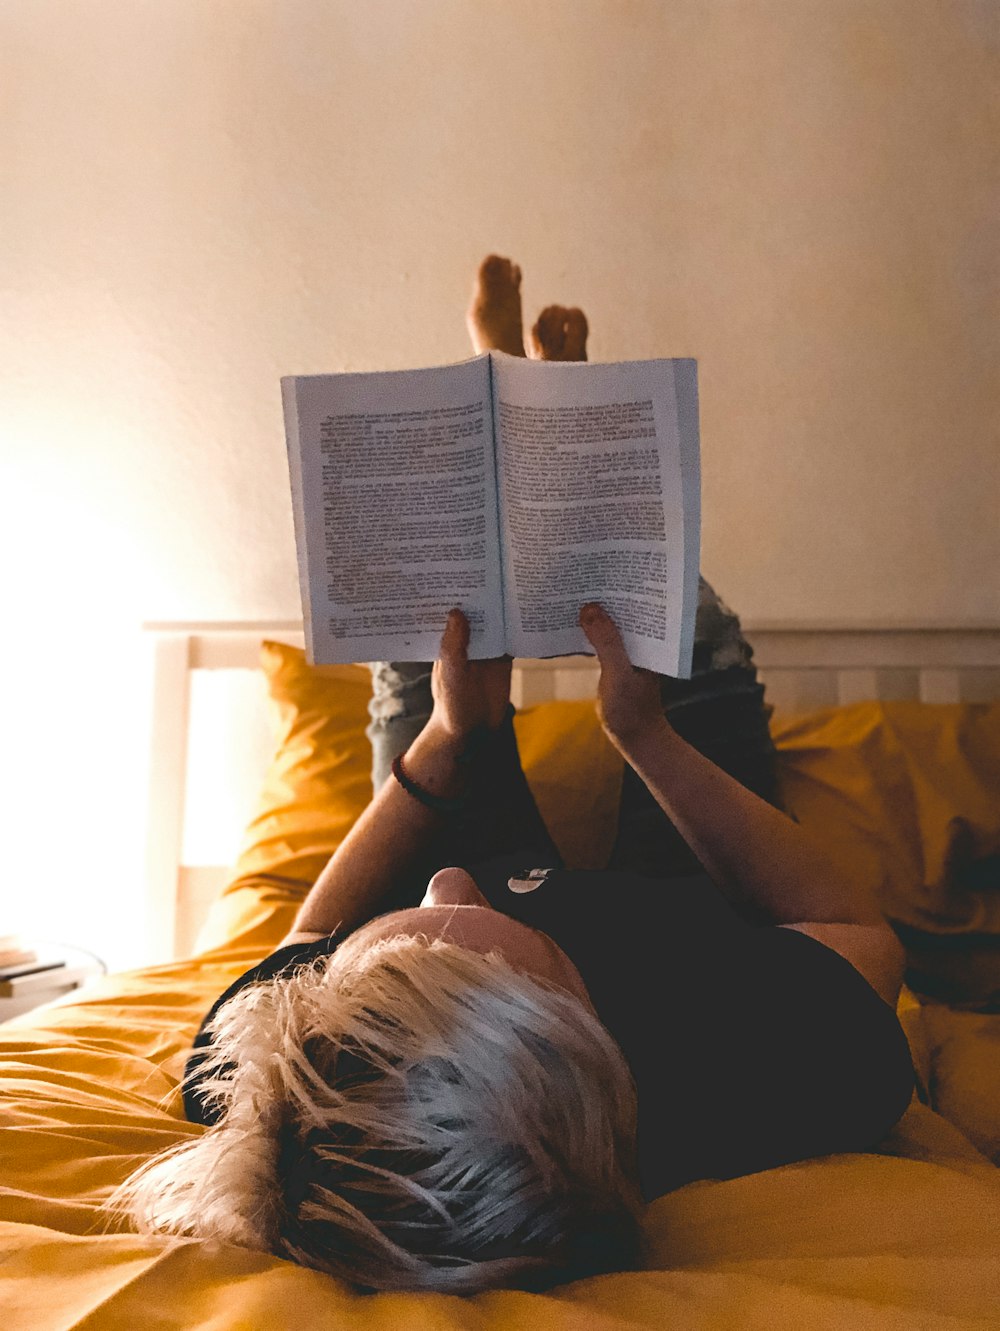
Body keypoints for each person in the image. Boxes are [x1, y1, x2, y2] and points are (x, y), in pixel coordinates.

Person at [110, 258, 915, 1295]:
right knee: (683, 633)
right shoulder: (741, 1063)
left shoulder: (303, 1070)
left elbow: (307, 941)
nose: (444, 884)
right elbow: (856, 930)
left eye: (381, 953)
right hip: (684, 914)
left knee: (434, 633)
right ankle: (567, 438)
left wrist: (447, 743)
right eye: (450, 925)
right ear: (561, 1016)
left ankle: (496, 402)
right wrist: (646, 741)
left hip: (499, 919)